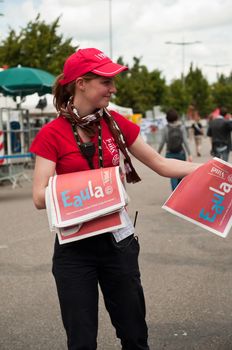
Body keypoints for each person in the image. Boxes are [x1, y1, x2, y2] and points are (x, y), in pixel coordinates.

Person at [30, 47, 201, 350]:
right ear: (81, 83)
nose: (114, 88)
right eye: (106, 82)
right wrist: (95, 187)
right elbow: (40, 196)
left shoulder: (116, 124)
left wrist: (212, 170)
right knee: (81, 343)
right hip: (74, 251)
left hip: (118, 245)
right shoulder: (52, 134)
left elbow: (161, 165)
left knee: (135, 336)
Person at [157, 108, 193, 190]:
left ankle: (174, 193)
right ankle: (180, 193)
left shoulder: (165, 128)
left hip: (169, 154)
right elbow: (185, 142)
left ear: (167, 118)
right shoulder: (181, 127)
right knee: (181, 174)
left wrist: (158, 153)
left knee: (172, 175)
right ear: (177, 117)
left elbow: (162, 142)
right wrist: (190, 154)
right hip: (181, 153)